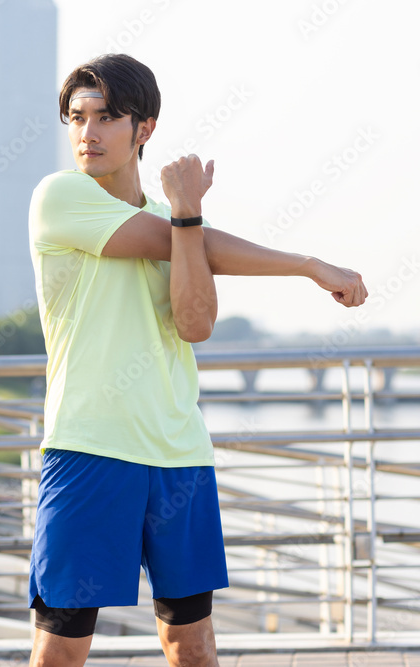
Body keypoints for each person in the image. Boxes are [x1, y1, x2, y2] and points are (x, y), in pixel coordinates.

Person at [26, 53, 368, 667]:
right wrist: (309, 264)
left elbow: (195, 324)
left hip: (180, 455)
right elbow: (182, 239)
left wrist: (185, 216)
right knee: (60, 649)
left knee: (192, 645)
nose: (88, 133)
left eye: (107, 117)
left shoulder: (177, 224)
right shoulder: (60, 197)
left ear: (145, 128)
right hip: (89, 449)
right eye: (77, 118)